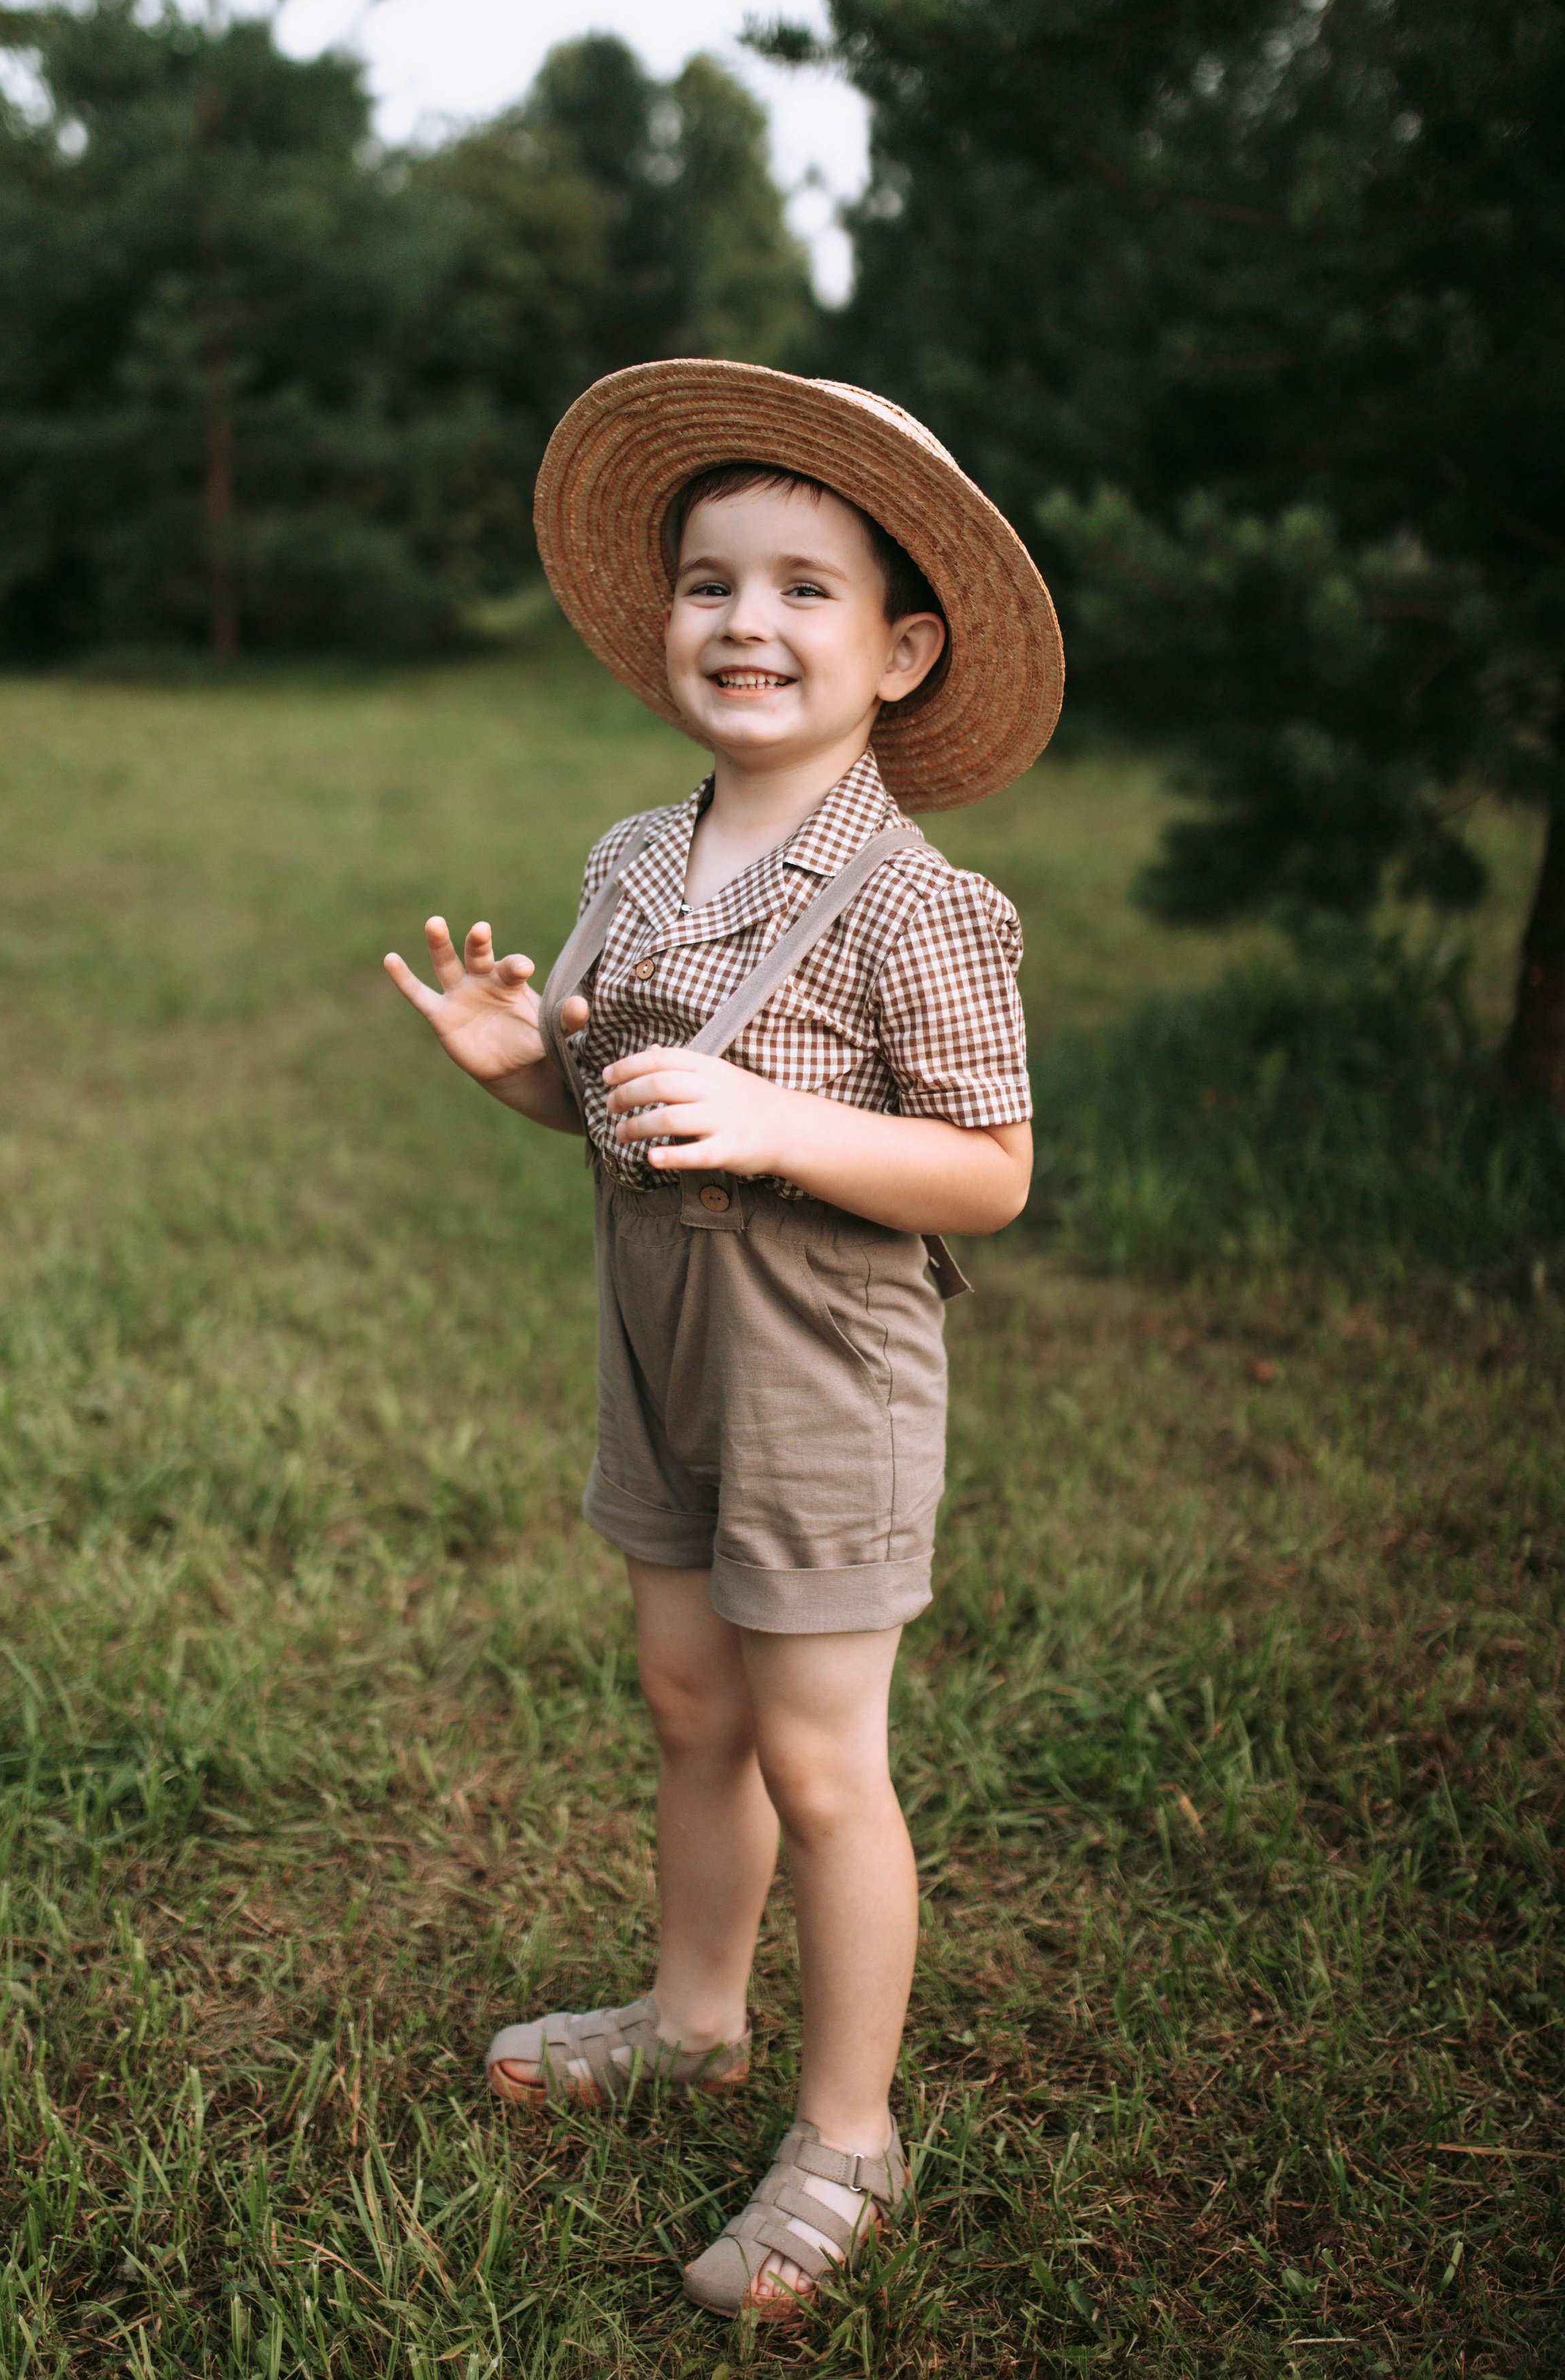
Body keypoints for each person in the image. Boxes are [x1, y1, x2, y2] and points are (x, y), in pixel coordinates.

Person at [385, 360, 1062, 2319]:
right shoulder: (626, 859)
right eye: (708, 581)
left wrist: (781, 1123)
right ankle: (696, 2016)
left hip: (824, 1362)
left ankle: (851, 2125)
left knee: (820, 1752)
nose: (744, 622)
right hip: (661, 1339)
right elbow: (615, 1104)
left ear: (904, 647)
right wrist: (522, 1067)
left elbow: (992, 1170)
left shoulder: (926, 905)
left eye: (802, 588)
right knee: (691, 1699)